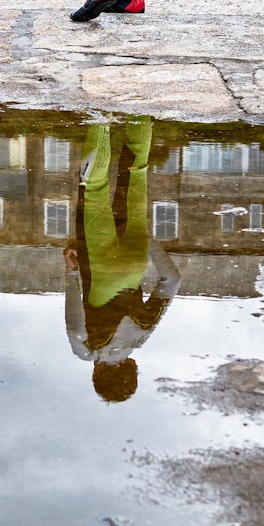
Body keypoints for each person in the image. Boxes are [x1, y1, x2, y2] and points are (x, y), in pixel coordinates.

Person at [63, 119, 181, 402]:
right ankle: (99, 117)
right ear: (97, 373)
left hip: (136, 260)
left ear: (133, 367)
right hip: (100, 268)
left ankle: (141, 111)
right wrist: (71, 273)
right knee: (93, 188)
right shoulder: (88, 350)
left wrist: (147, 242)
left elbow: (172, 280)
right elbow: (75, 322)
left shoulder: (141, 336)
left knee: (136, 173)